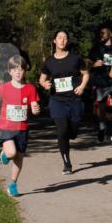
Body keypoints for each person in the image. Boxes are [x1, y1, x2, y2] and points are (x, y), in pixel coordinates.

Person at [0, 55, 40, 197]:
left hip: (22, 129)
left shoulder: (30, 89)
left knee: (19, 158)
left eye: (21, 69)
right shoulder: (4, 88)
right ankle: (5, 153)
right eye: (15, 69)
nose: (18, 72)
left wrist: (36, 109)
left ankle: (13, 184)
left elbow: (34, 106)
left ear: (25, 71)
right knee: (12, 153)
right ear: (9, 71)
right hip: (6, 127)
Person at [39, 30, 88, 174]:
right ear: (54, 41)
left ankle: (72, 133)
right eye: (60, 38)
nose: (62, 40)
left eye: (65, 38)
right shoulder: (49, 62)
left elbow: (86, 74)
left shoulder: (75, 59)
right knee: (62, 131)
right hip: (57, 101)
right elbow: (42, 79)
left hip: (74, 100)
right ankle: (67, 163)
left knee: (72, 132)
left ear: (67, 41)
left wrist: (82, 86)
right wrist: (45, 84)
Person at [87, 25, 112, 144]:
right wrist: (94, 65)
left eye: (103, 33)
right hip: (101, 80)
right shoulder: (96, 47)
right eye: (100, 33)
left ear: (110, 34)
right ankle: (102, 127)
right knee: (101, 107)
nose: (101, 35)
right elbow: (87, 64)